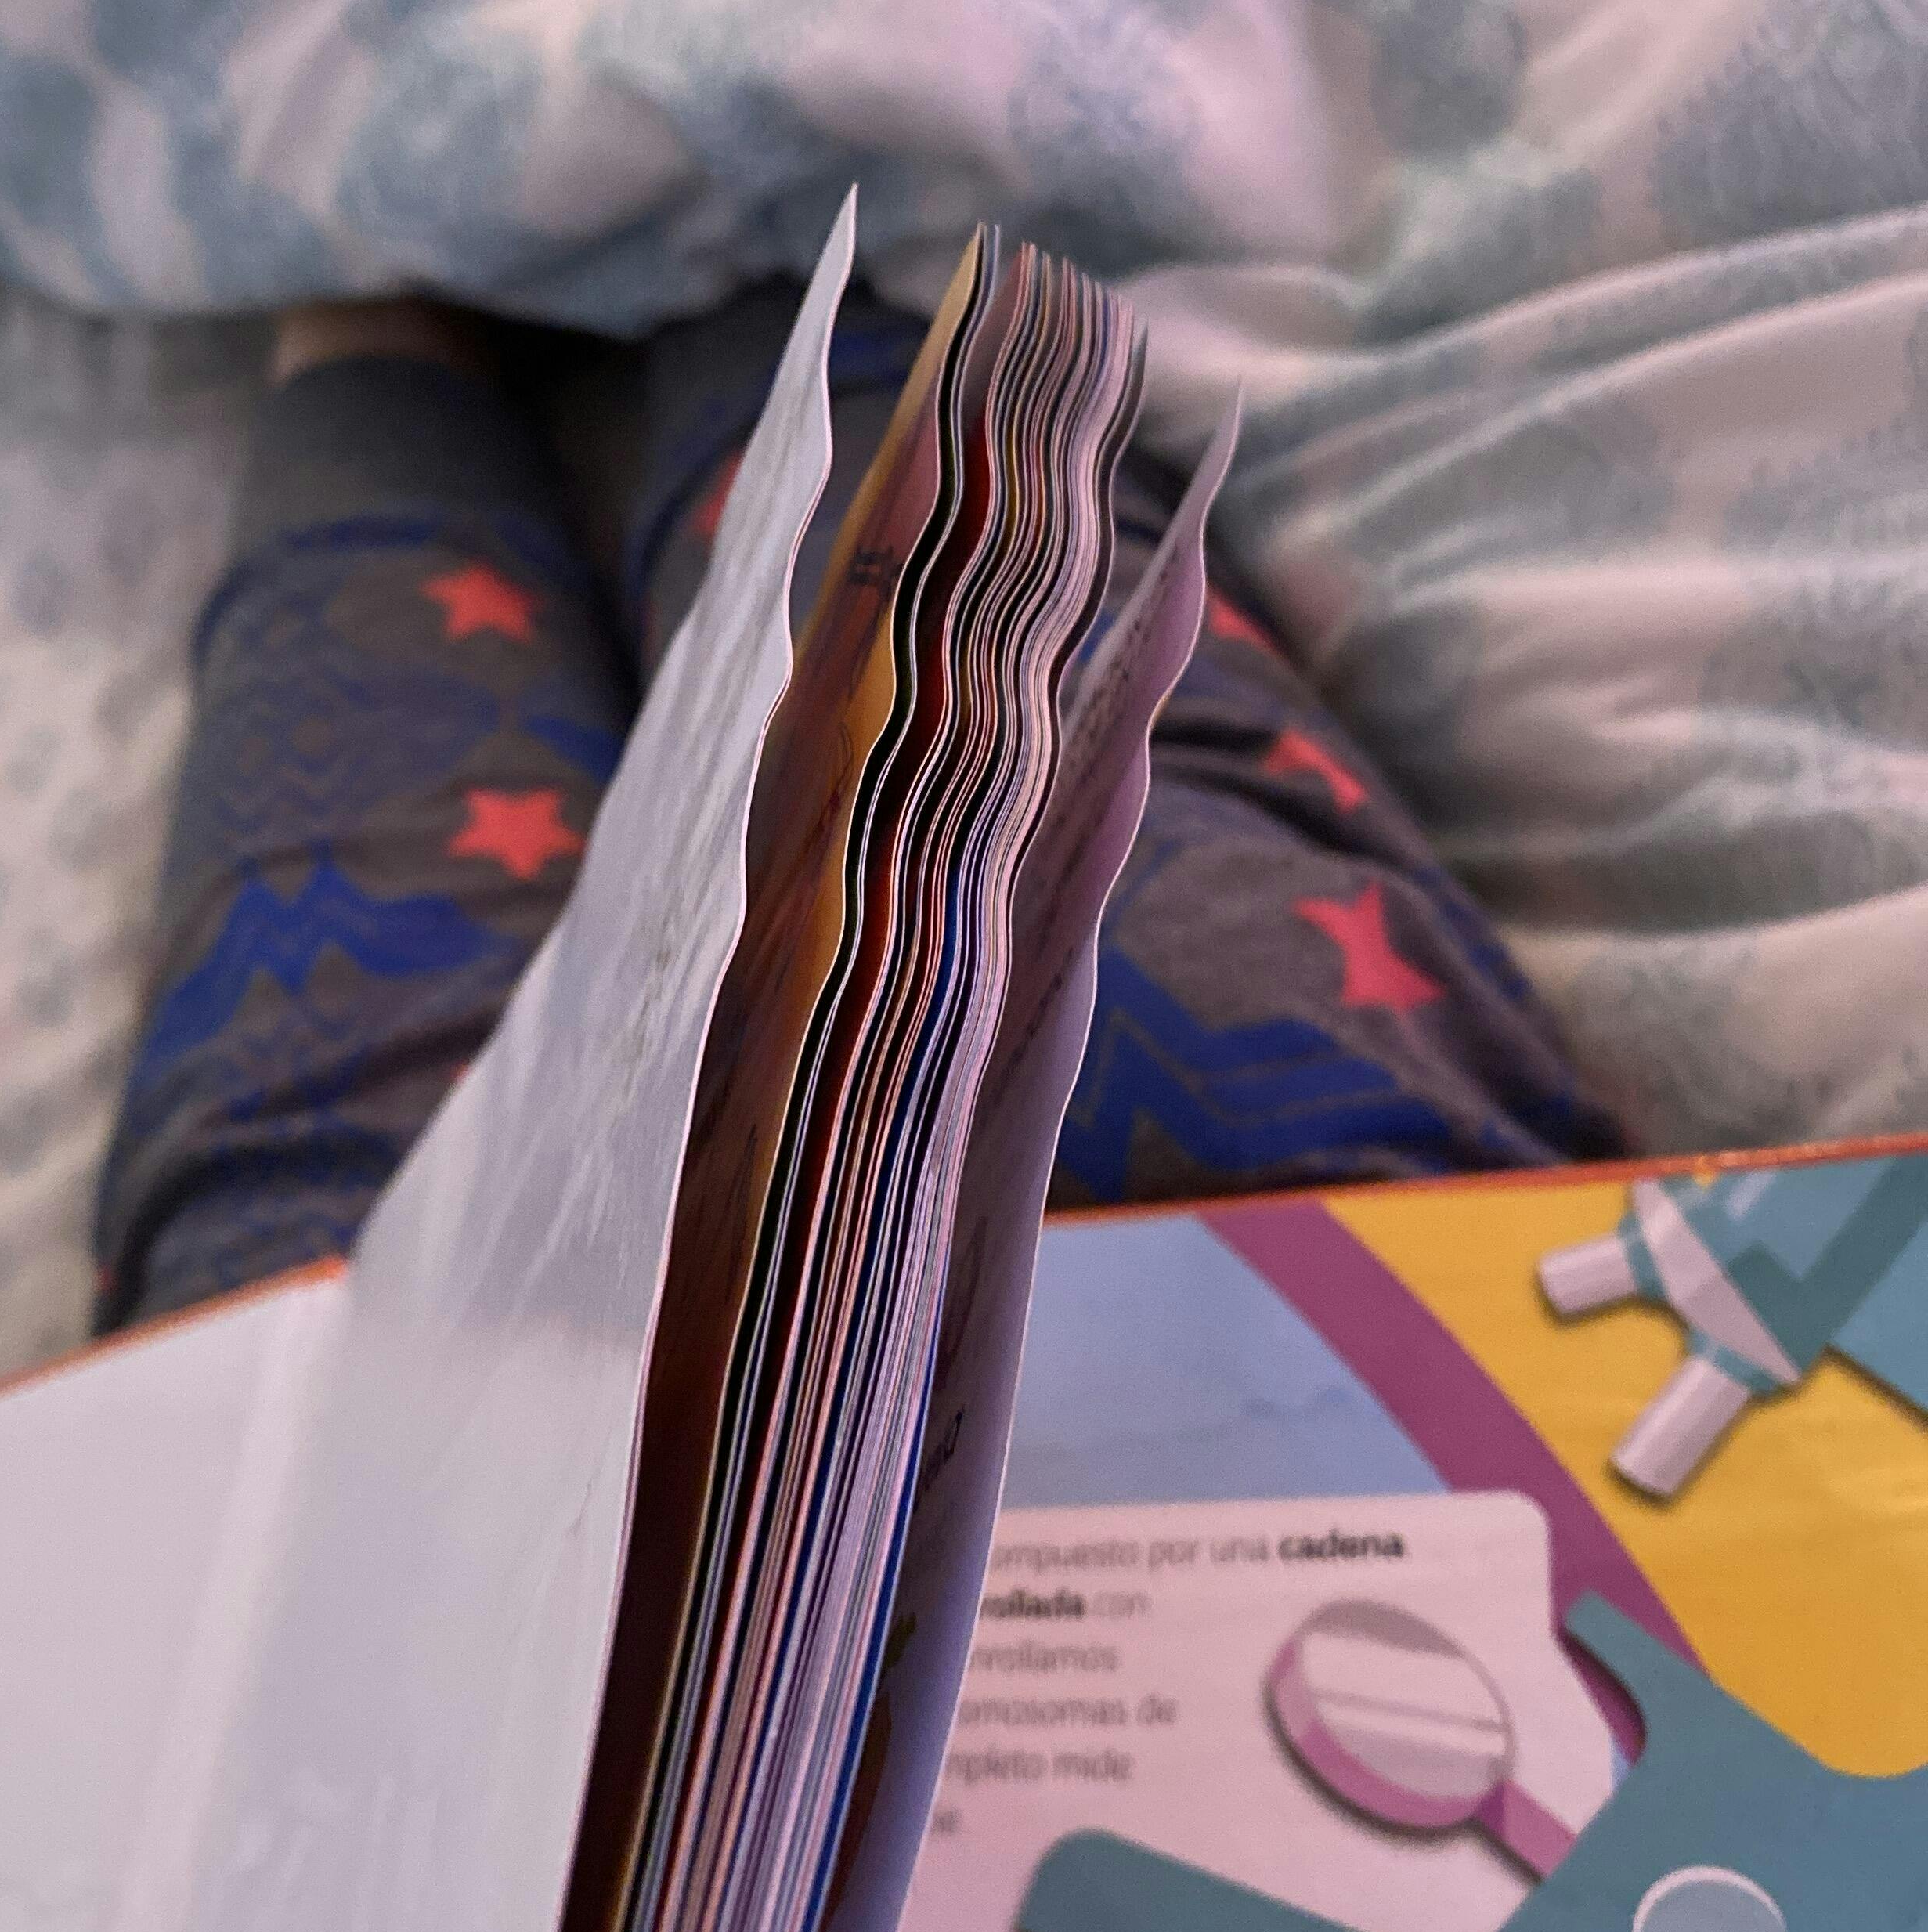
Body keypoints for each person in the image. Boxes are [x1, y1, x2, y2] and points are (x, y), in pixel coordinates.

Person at [93, 278, 1618, 1327]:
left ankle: (413, 350)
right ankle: (754, 289)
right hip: (1360, 1315)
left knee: (324, 1220)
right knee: (1088, 879)